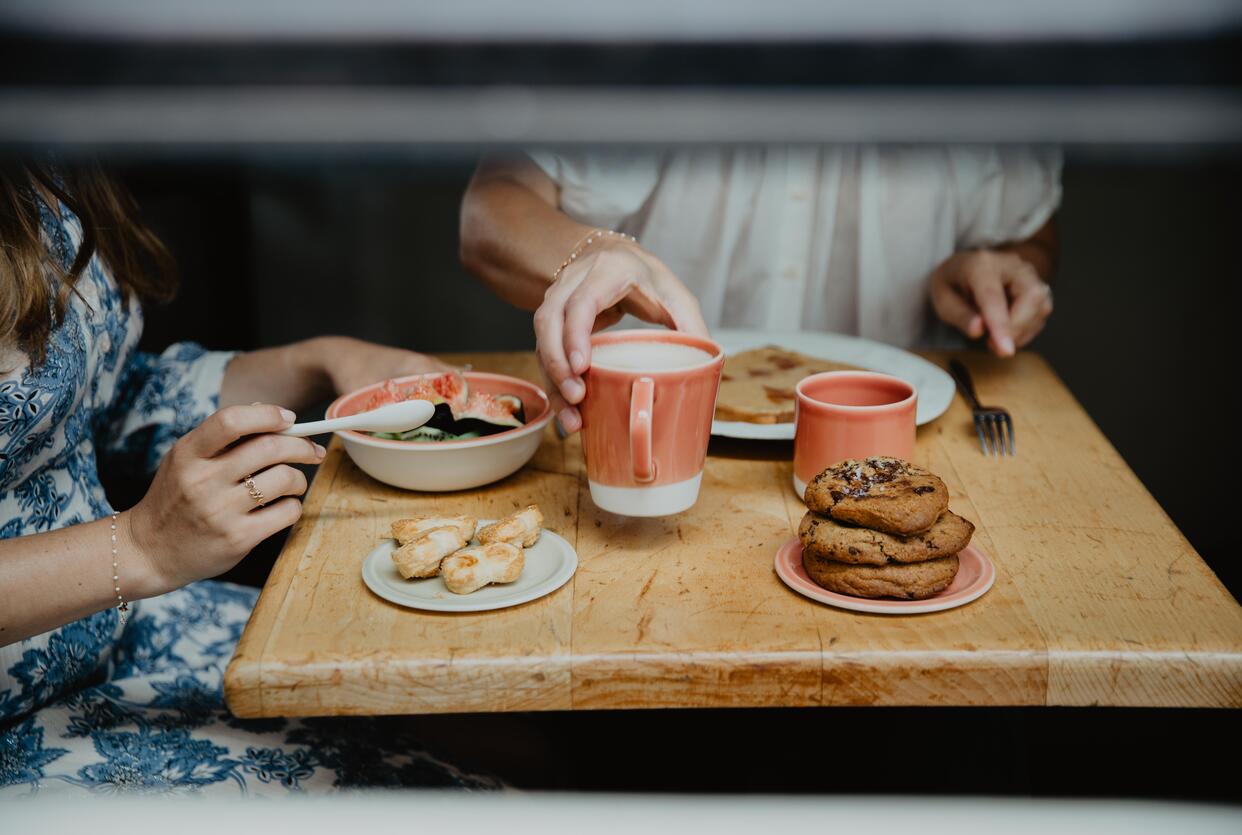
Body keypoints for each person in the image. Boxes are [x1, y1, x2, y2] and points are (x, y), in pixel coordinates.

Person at [0, 162, 493, 794]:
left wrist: (322, 361)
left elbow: (97, 401)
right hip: (23, 724)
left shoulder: (37, 157)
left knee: (438, 696)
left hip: (123, 635)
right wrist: (141, 547)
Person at [460, 145, 1060, 433]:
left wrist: (1000, 269)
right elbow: (490, 209)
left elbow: (1032, 233)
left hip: (909, 438)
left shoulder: (978, 36)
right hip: (644, 430)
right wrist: (593, 252)